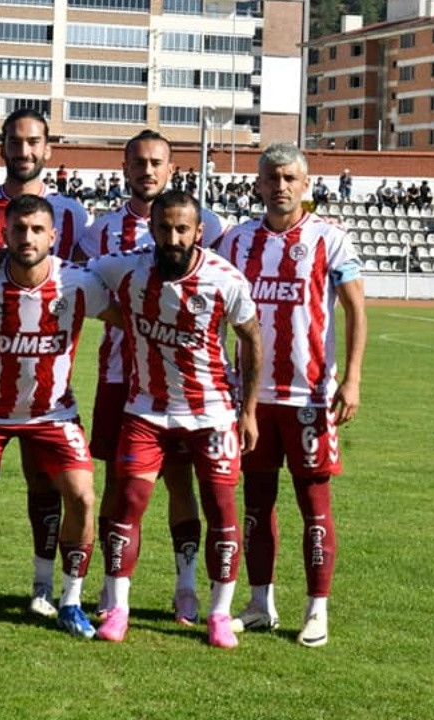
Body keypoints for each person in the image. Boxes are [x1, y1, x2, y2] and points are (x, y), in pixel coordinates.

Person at [88, 190, 263, 649]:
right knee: (127, 504)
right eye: (164, 228)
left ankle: (219, 613)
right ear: (152, 229)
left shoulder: (224, 279)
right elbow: (72, 279)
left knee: (223, 510)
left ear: (198, 232)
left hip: (212, 414)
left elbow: (251, 336)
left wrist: (248, 410)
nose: (172, 237)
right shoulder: (126, 267)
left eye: (182, 228)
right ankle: (119, 608)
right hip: (146, 411)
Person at [211, 143, 366, 648]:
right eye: (272, 177)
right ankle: (260, 604)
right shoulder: (236, 241)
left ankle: (316, 610)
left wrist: (353, 378)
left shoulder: (330, 239)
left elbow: (355, 310)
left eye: (289, 178)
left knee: (314, 505)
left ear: (306, 185)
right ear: (258, 184)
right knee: (256, 504)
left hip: (311, 397)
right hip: (252, 400)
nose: (280, 186)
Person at [0, 108, 90, 616]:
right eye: (15, 141)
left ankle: (44, 588)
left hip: (47, 379)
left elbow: (86, 277)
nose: (24, 151)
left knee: (46, 483)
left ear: (48, 149)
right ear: (1, 147)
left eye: (34, 142)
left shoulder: (72, 213)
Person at [78, 129, 230, 626]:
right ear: (125, 167)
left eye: (157, 162)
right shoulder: (98, 230)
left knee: (183, 481)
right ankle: (111, 589)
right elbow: (78, 285)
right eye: (138, 162)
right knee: (123, 486)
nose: (147, 170)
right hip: (122, 376)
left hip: (189, 383)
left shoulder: (208, 223)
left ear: (172, 168)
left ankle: (186, 588)